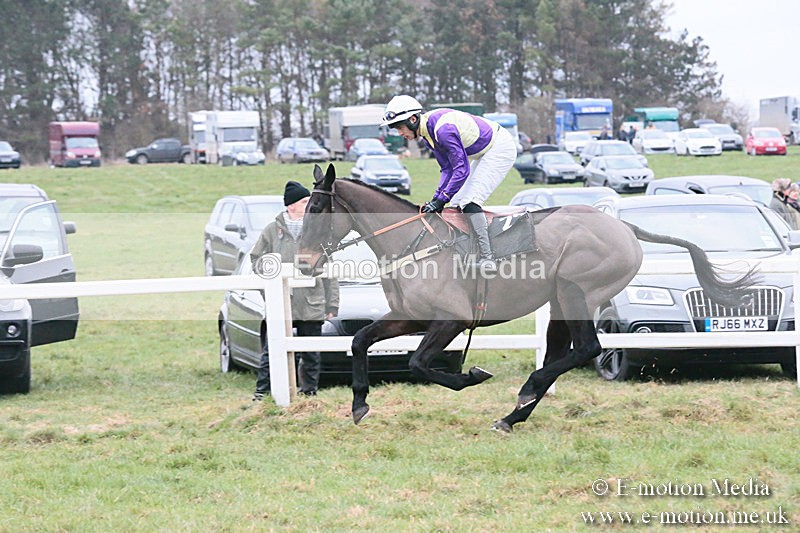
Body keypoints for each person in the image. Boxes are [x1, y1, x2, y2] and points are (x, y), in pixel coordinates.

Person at [381, 95, 517, 272]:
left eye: (400, 127)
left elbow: (461, 169)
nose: (400, 133)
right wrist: (436, 199)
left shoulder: (442, 132)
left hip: (499, 147)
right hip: (482, 151)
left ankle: (488, 257)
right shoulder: (428, 135)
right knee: (454, 203)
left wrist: (441, 199)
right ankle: (467, 251)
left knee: (469, 202)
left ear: (413, 119)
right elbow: (447, 169)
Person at [250, 180, 339, 399]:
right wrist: (269, 290)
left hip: (311, 302)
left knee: (311, 354)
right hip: (281, 304)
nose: (309, 205)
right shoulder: (272, 230)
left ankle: (308, 394)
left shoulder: (318, 230)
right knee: (271, 351)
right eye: (304, 201)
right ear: (291, 205)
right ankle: (262, 393)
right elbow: (256, 259)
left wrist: (332, 304)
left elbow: (331, 270)